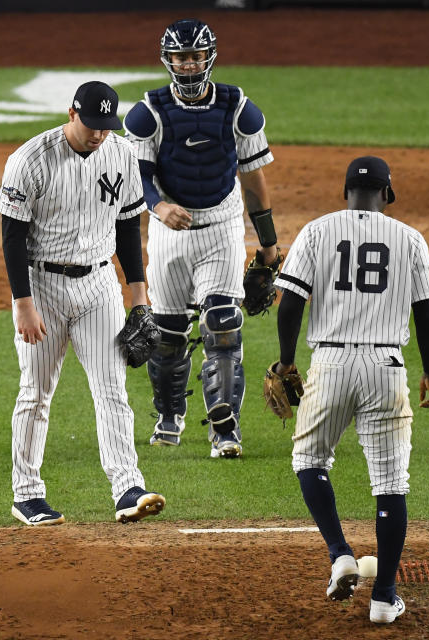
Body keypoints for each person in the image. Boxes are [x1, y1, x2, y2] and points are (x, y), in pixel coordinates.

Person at [271, 156, 429, 624]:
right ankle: (385, 597)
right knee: (391, 485)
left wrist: (287, 360)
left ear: (344, 192)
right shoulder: (409, 239)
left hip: (329, 362)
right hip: (386, 366)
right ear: (388, 194)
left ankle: (339, 552)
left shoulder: (316, 230)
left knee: (309, 460)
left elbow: (290, 306)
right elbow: (427, 313)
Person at [0, 81, 166, 526]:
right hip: (42, 284)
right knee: (35, 393)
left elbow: (128, 228)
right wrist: (22, 303)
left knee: (112, 389)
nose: (99, 135)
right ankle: (27, 494)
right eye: (92, 125)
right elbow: (12, 238)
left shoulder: (122, 154)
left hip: (98, 283)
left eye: (107, 127)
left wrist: (139, 296)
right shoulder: (30, 159)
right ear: (71, 113)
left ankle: (128, 486)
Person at [124, 18, 282, 459]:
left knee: (223, 325)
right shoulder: (147, 113)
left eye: (195, 56)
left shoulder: (238, 108)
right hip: (169, 230)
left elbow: (253, 180)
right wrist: (158, 207)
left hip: (221, 227)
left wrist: (269, 245)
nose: (189, 65)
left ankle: (225, 428)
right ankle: (169, 416)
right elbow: (138, 175)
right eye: (180, 57)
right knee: (168, 334)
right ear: (168, 60)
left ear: (209, 57)